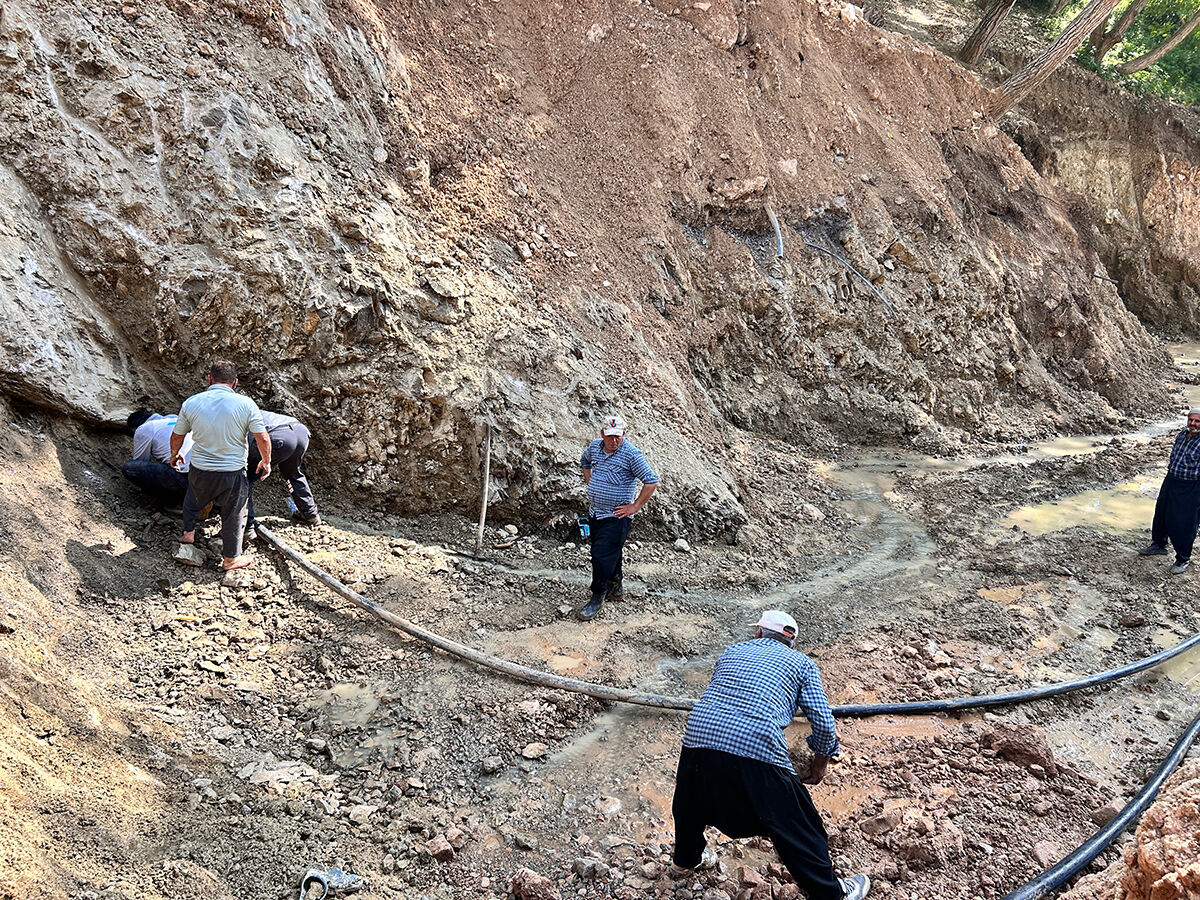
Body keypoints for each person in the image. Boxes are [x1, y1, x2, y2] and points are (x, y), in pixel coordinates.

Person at [671, 610, 870, 900]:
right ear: (791, 642)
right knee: (798, 822)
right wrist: (820, 762)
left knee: (689, 801)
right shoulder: (802, 663)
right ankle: (831, 894)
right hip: (756, 740)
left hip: (700, 731)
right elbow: (825, 724)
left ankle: (683, 862)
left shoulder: (732, 651)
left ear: (759, 633)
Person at [171, 361, 270, 571]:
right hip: (232, 472)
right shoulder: (246, 404)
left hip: (200, 468)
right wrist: (266, 461)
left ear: (209, 379)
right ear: (234, 382)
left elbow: (177, 435)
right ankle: (231, 558)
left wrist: (175, 454)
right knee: (234, 511)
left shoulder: (191, 402)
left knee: (193, 498)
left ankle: (188, 533)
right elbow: (262, 437)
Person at [577, 414, 660, 621]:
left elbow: (651, 481)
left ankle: (598, 596)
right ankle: (616, 588)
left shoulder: (632, 455)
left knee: (600, 554)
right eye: (610, 436)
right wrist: (592, 482)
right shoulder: (595, 447)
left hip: (617, 515)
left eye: (619, 436)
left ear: (624, 434)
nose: (614, 440)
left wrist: (634, 506)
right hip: (596, 512)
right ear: (602, 434)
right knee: (610, 552)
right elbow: (584, 461)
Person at [1139, 408, 1200, 574]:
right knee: (1161, 513)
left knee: (1185, 522)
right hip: (1172, 479)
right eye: (1191, 420)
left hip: (1191, 486)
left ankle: (1182, 559)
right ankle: (1159, 544)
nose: (1193, 424)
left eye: (1197, 421)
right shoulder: (1182, 435)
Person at [245, 410, 322, 540]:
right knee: (292, 473)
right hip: (300, 431)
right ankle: (310, 515)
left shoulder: (228, 419)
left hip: (277, 436)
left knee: (244, 478)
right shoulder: (245, 409)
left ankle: (246, 526)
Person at [121, 409, 193, 511]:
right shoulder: (174, 418)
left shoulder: (144, 429)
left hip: (188, 480)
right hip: (214, 475)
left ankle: (180, 503)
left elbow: (140, 462)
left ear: (135, 429)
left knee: (130, 468)